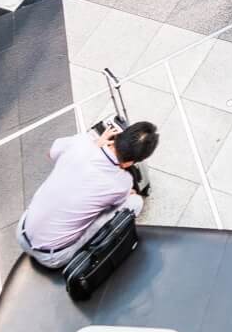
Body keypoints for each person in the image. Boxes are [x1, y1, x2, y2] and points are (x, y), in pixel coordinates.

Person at [16, 115, 157, 268]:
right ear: (130, 162)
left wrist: (95, 145)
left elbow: (51, 153)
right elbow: (119, 200)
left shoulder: (81, 142)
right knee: (135, 202)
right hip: (54, 256)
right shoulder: (122, 182)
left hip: (22, 231)